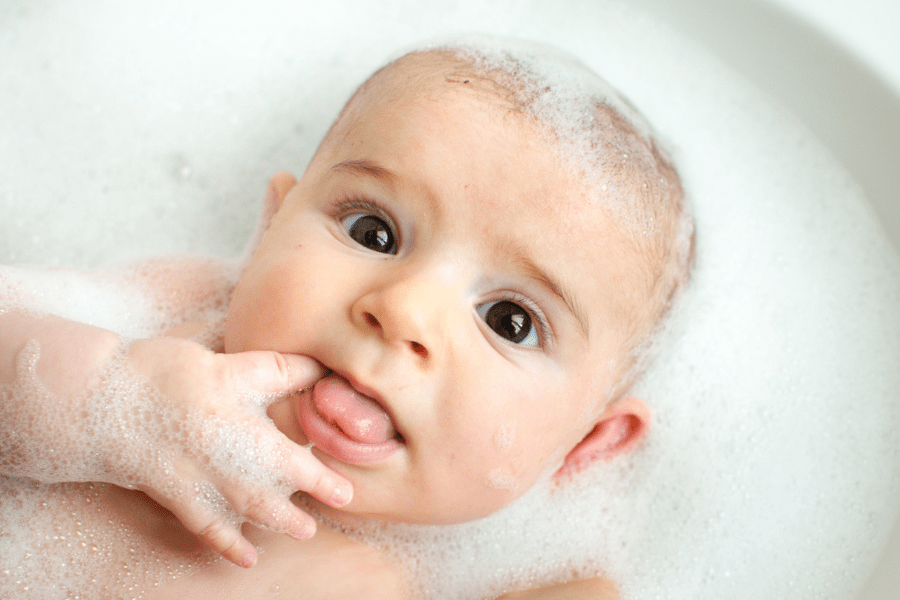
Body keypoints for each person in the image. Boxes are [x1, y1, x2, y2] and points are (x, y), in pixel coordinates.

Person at [0, 37, 693, 599]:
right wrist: (104, 398)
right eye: (373, 232)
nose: (402, 311)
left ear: (587, 446)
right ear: (269, 229)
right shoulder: (169, 320)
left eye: (509, 320)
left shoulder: (468, 582)